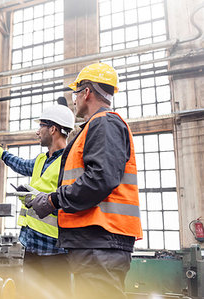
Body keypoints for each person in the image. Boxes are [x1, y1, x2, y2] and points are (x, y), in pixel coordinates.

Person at [26, 63, 143, 299]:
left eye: (76, 93)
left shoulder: (105, 123)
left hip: (101, 240)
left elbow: (100, 179)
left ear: (86, 92)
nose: (75, 99)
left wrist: (52, 200)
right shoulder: (94, 127)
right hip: (94, 241)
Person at [0, 102, 75, 299]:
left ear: (53, 129)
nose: (37, 132)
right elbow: (21, 164)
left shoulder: (70, 162)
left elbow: (74, 201)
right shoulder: (41, 160)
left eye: (40, 125)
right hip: (32, 245)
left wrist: (40, 200)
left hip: (56, 250)